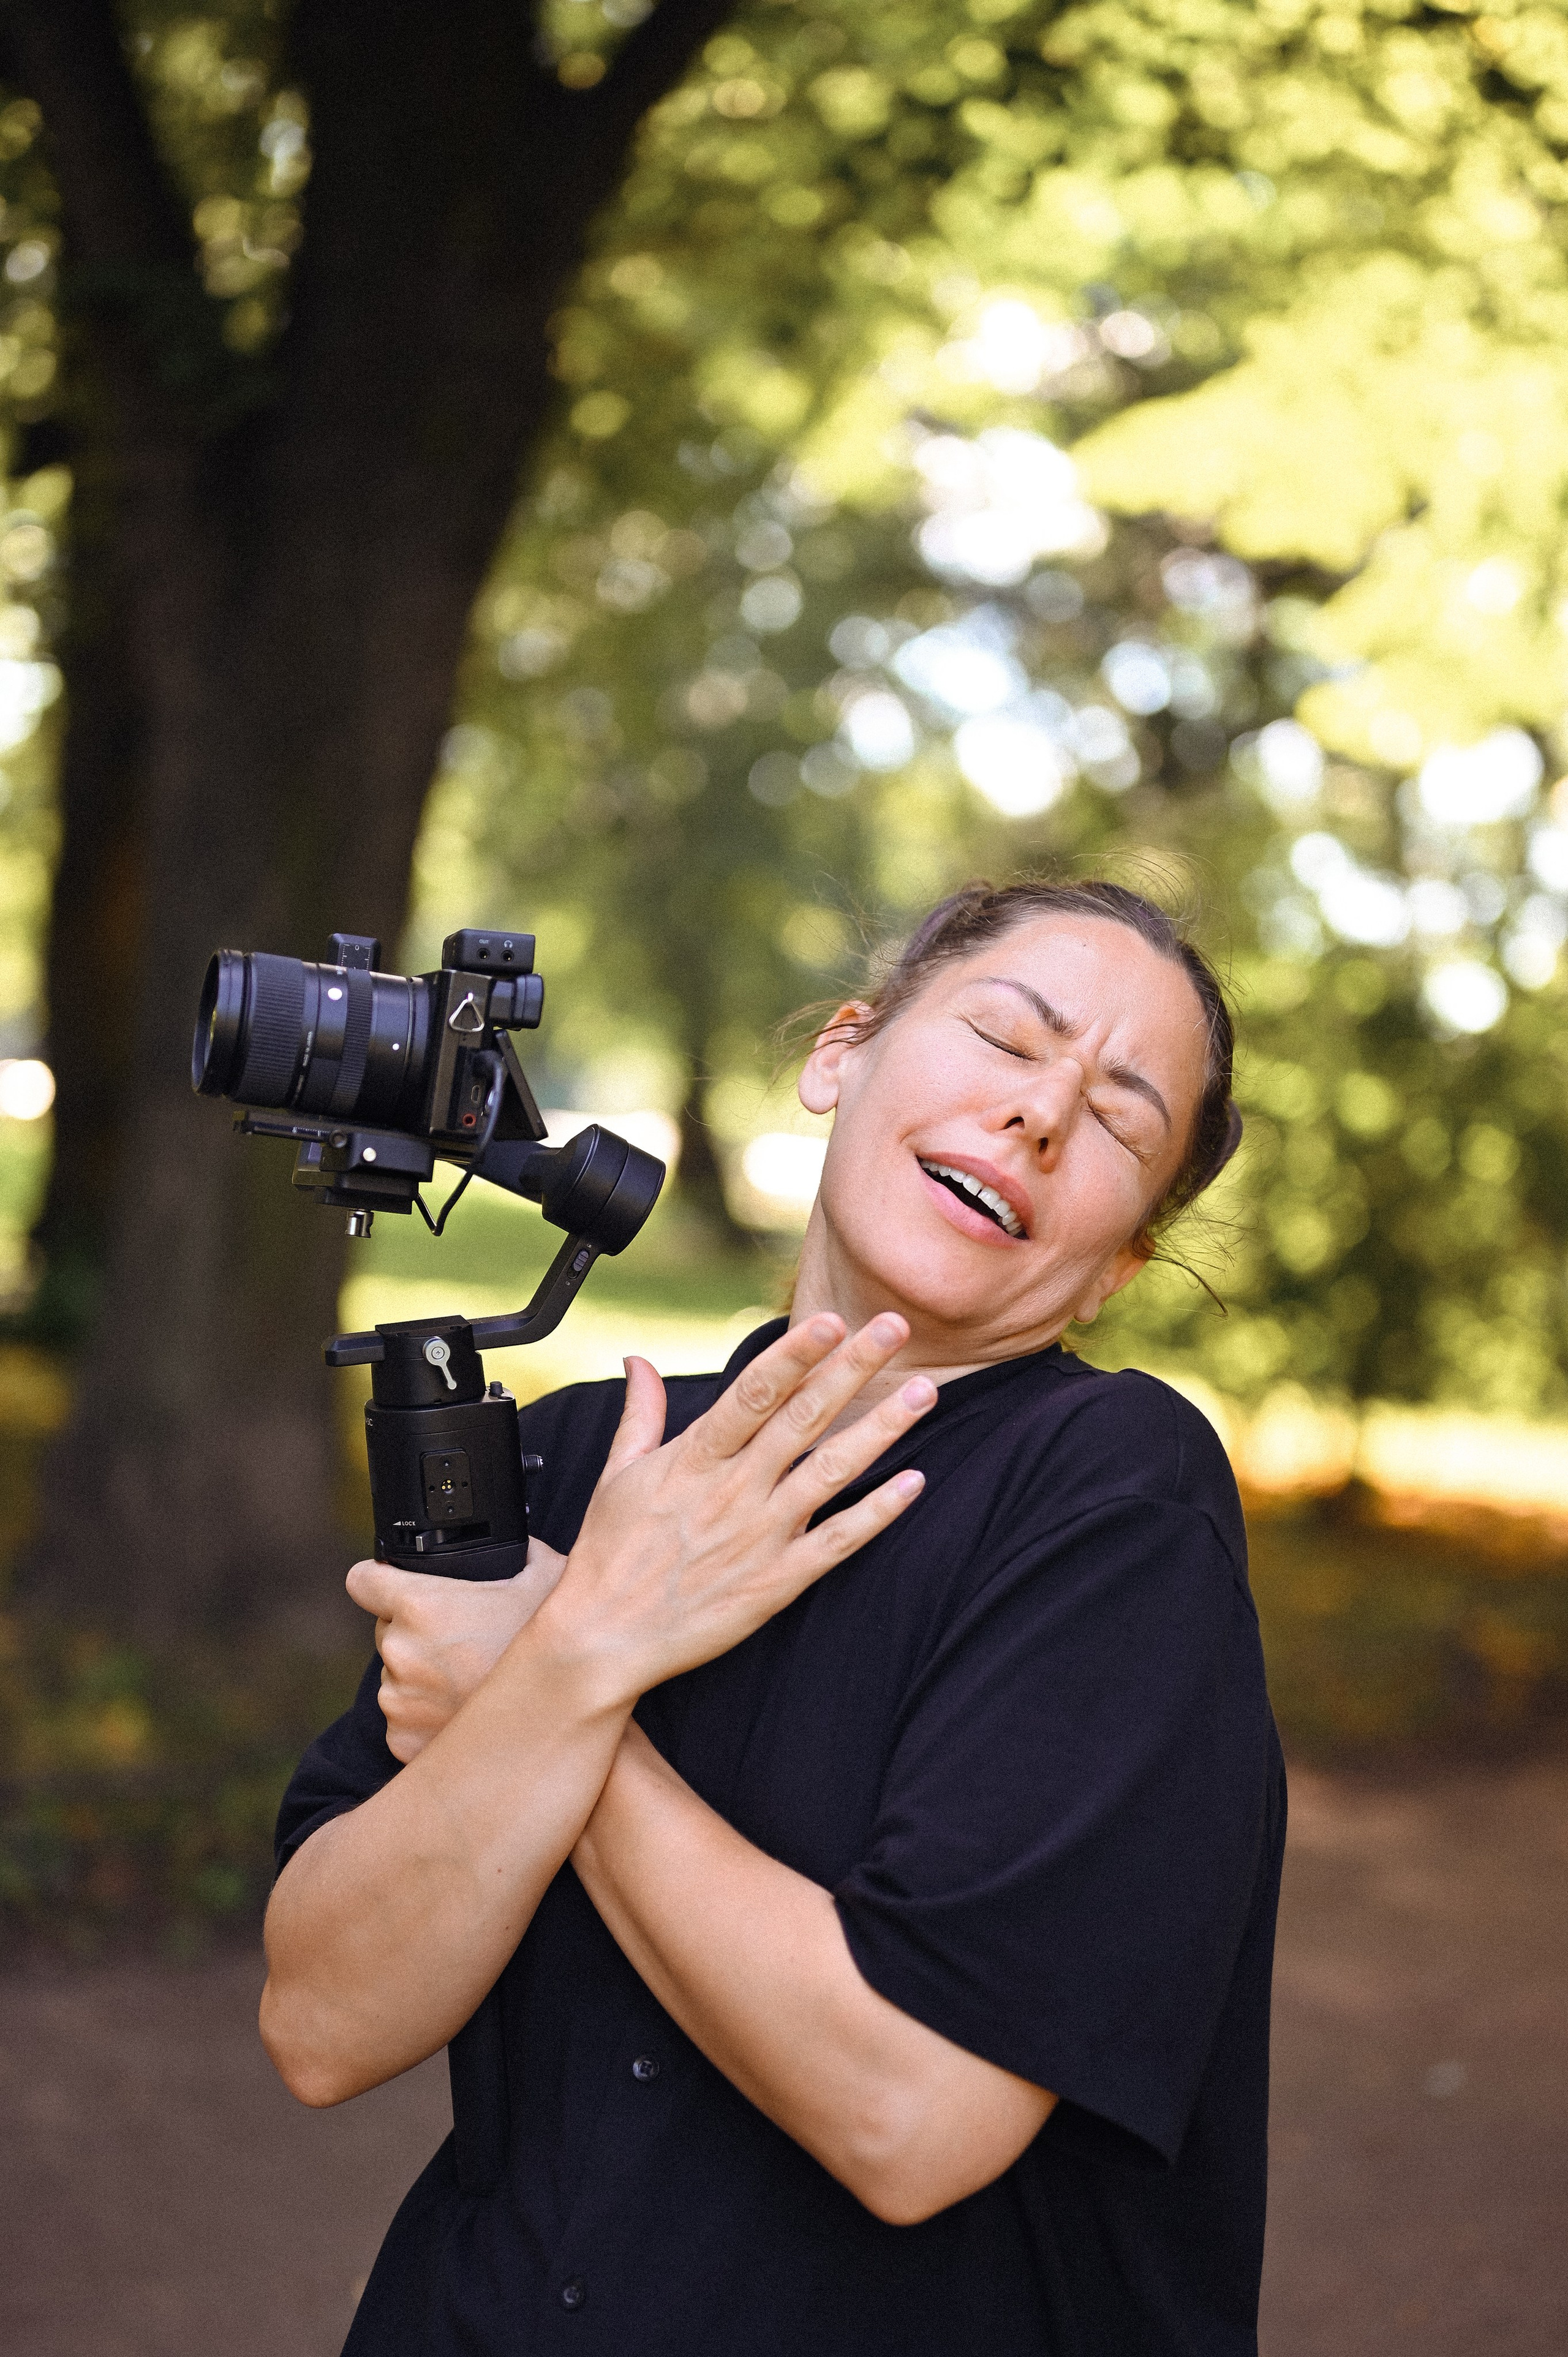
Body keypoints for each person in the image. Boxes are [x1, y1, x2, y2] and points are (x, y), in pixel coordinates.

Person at [262, 878, 1284, 2357]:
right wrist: (581, 1648)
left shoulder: (1114, 1503)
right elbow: (319, 2022)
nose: (1039, 1112)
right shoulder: (562, 1459)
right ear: (839, 1052)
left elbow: (911, 2115)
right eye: (1005, 1037)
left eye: (1119, 1122)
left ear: (1116, 1265)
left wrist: (564, 1678)